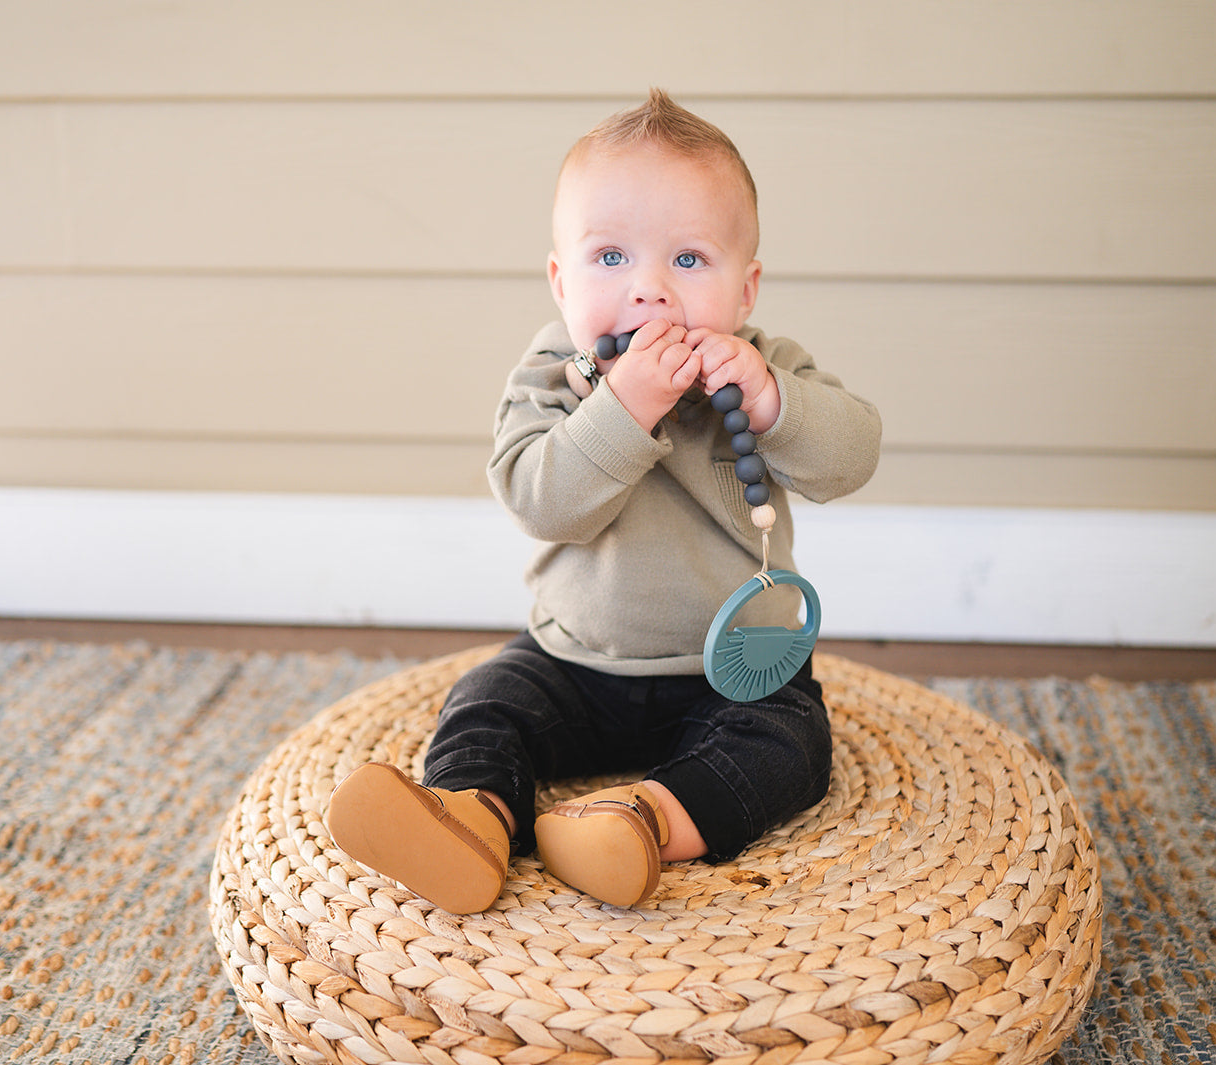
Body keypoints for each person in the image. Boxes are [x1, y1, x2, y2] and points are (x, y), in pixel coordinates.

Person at [327, 89, 881, 913]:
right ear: (561, 281)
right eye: (612, 257)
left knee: (790, 744)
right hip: (573, 661)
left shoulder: (762, 366)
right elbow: (539, 500)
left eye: (689, 260)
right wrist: (623, 410)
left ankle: (643, 821)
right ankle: (473, 818)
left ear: (747, 289)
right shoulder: (553, 376)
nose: (649, 290)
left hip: (731, 670)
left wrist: (772, 402)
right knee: (486, 702)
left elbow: (852, 456)